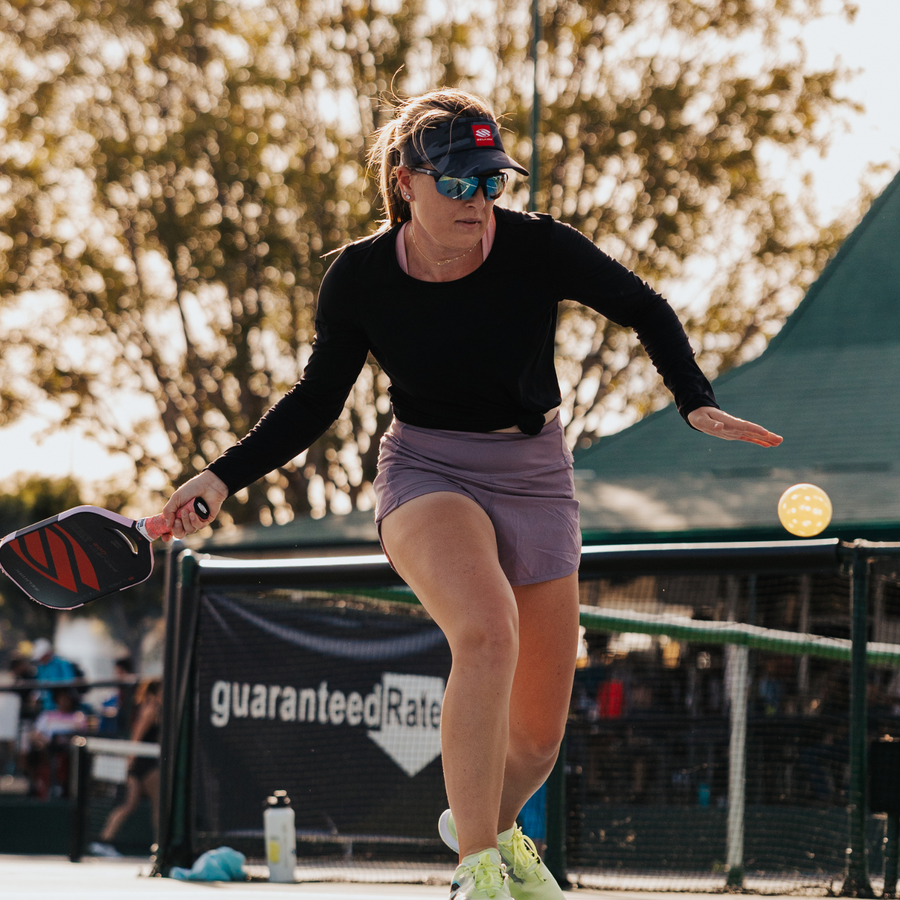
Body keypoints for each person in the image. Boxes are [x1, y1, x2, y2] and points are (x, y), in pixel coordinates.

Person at [161, 89, 782, 900]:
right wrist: (220, 475)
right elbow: (318, 399)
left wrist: (693, 398)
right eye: (457, 183)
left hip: (537, 475)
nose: (478, 201)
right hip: (428, 471)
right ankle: (477, 870)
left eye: (491, 181)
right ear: (404, 182)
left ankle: (486, 826)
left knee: (538, 736)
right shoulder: (360, 278)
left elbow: (644, 307)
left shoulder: (537, 247)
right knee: (487, 634)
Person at [90, 678, 162, 858]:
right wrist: (130, 763)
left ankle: (104, 840)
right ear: (155, 692)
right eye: (162, 690)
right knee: (158, 806)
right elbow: (136, 738)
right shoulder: (150, 711)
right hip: (145, 765)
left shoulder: (157, 711)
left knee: (129, 805)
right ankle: (161, 845)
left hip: (142, 765)